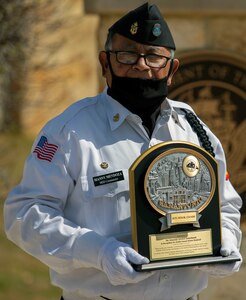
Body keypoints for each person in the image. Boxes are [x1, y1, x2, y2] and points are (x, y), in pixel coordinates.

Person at [4, 2, 242, 300]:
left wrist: (227, 240)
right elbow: (24, 215)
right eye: (128, 54)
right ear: (106, 64)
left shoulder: (194, 129)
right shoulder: (69, 132)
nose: (141, 65)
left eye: (154, 57)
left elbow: (225, 205)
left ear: (171, 70)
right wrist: (98, 252)